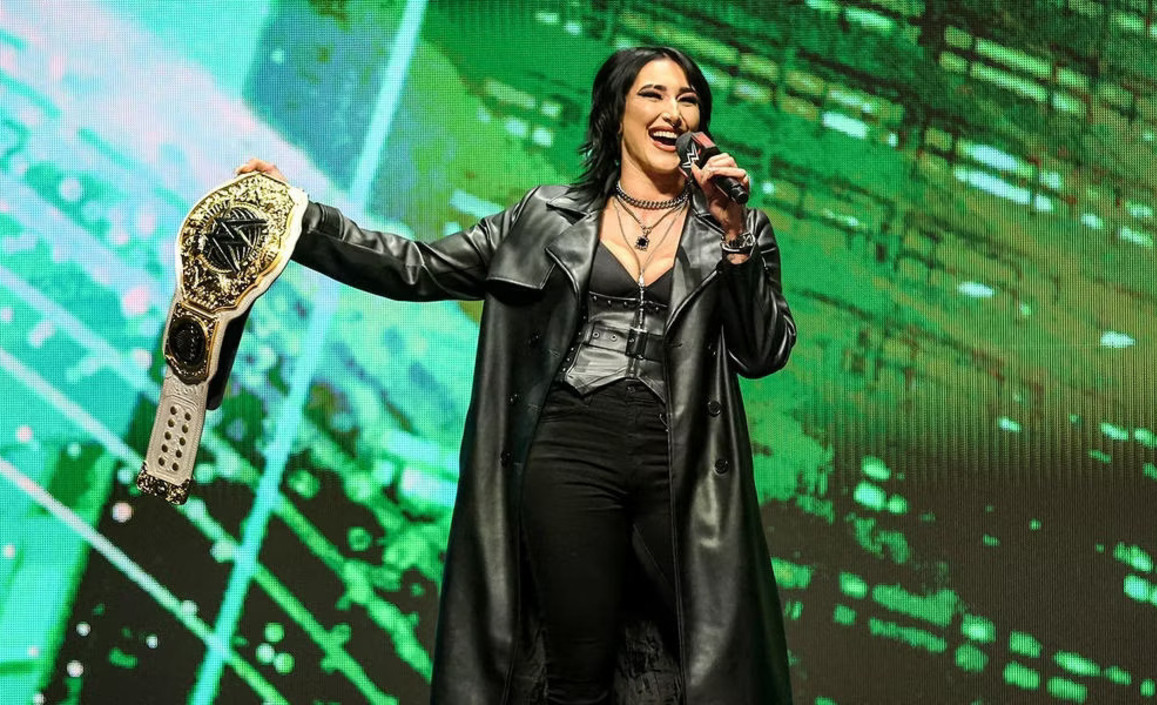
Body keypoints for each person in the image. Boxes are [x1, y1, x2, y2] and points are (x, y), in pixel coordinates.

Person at [239, 45, 795, 705]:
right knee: (577, 671)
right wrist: (300, 219)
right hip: (570, 450)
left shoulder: (739, 228)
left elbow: (763, 350)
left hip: (682, 464)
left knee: (713, 671)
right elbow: (417, 266)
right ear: (616, 112)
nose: (672, 111)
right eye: (653, 94)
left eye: (687, 98)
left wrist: (733, 235)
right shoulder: (544, 217)